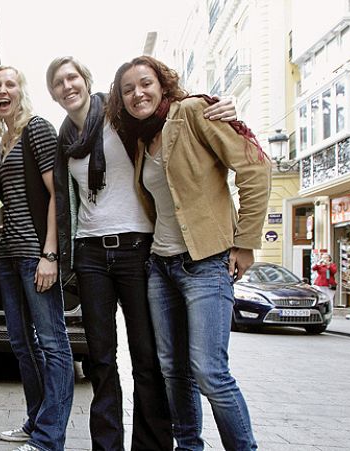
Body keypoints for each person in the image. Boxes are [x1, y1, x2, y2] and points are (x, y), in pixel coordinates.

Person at [46, 56, 236, 451]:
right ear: (53, 93)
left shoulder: (120, 118)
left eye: (72, 77)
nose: (67, 86)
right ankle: (108, 445)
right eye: (58, 82)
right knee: (100, 358)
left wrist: (220, 107)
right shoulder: (65, 140)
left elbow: (166, 113)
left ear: (87, 79)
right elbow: (62, 199)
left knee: (147, 358)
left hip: (137, 250)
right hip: (90, 253)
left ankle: (152, 445)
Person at [106, 55, 271, 451]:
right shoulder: (143, 139)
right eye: (128, 89)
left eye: (145, 83)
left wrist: (245, 241)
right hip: (160, 269)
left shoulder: (194, 112)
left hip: (207, 264)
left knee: (210, 371)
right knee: (173, 371)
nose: (137, 93)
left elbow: (256, 168)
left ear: (162, 84)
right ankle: (188, 446)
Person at [0, 65, 74, 451]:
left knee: (53, 343)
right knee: (21, 343)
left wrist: (49, 254)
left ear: (21, 90)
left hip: (36, 253)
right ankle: (36, 421)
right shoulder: (4, 140)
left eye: (10, 84)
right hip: (9, 256)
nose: (4, 90)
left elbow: (58, 193)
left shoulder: (37, 128)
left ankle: (50, 438)